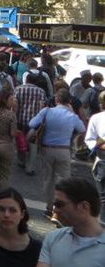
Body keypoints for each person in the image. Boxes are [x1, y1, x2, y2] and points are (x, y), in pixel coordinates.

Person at [28, 89, 85, 221]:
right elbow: (82, 129)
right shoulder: (72, 116)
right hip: (64, 150)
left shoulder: (47, 111)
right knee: (63, 181)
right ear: (69, 101)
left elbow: (32, 124)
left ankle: (49, 208)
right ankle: (57, 210)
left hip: (47, 149)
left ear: (56, 100)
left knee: (48, 179)